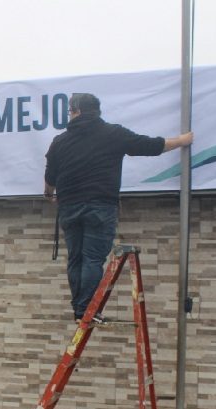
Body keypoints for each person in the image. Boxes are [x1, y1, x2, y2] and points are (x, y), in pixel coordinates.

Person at [44, 93, 193, 323]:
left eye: (70, 111)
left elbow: (50, 177)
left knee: (76, 259)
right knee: (92, 259)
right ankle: (86, 311)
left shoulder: (60, 141)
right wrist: (181, 141)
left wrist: (49, 195)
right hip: (101, 206)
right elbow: (151, 145)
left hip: (69, 207)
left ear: (77, 111)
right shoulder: (113, 134)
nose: (69, 116)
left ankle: (80, 309)